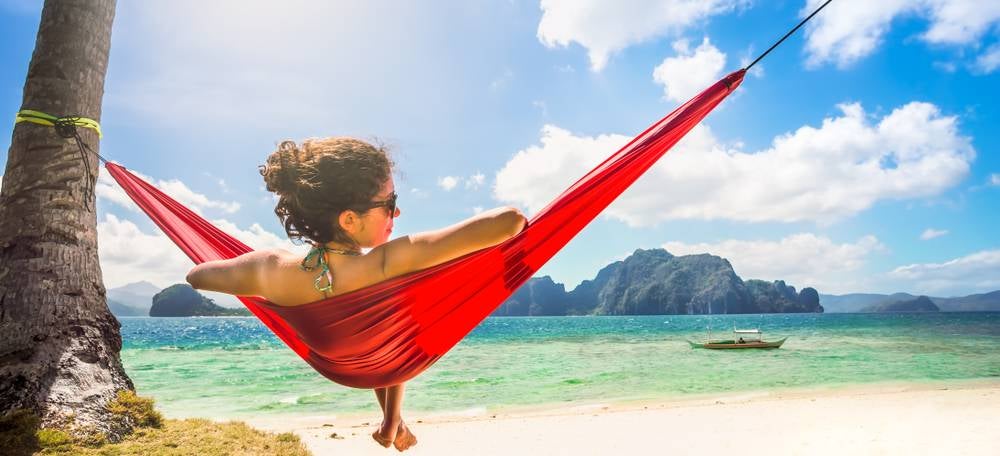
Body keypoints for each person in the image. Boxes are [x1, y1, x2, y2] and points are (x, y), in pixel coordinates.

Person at [185, 137, 527, 451]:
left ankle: (393, 422)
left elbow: (197, 276)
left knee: (382, 311)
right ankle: (392, 420)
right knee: (397, 306)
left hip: (340, 366)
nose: (397, 212)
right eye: (389, 202)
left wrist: (257, 277)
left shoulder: (270, 269)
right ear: (349, 219)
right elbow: (510, 221)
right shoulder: (386, 263)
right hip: (388, 357)